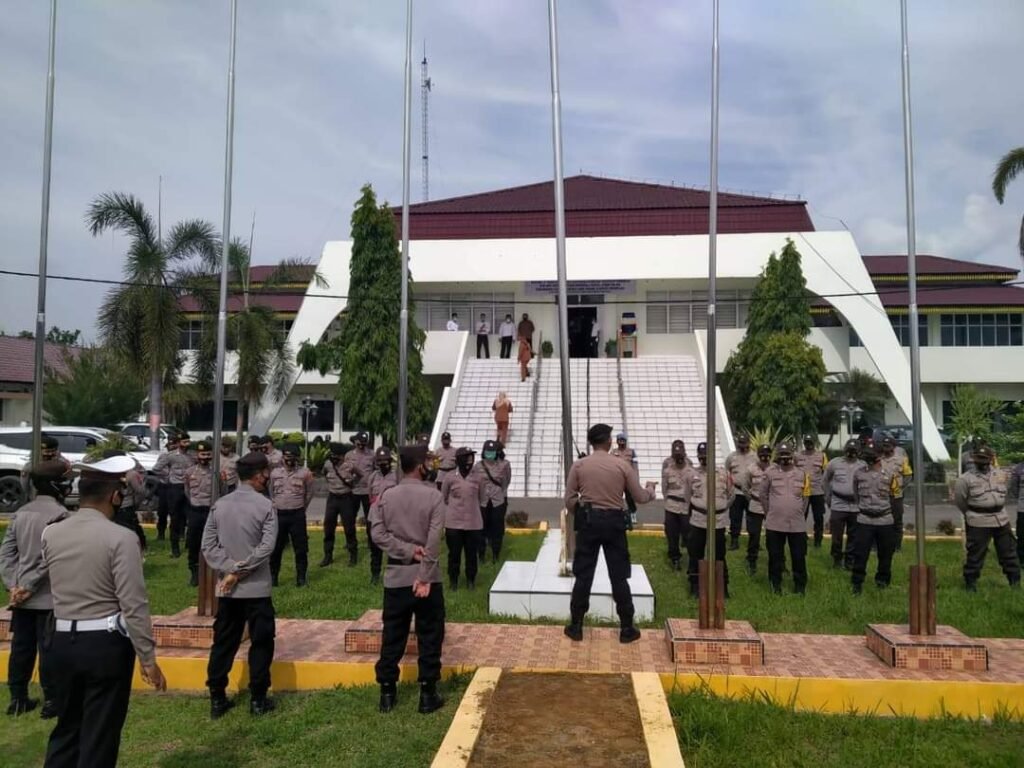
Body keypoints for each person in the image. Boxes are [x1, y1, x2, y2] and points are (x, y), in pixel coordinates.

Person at [41, 455, 167, 767]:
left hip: (59, 641)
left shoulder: (52, 532)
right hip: (103, 645)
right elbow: (133, 604)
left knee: (66, 729)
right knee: (99, 734)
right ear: (115, 495)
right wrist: (147, 658)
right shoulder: (122, 538)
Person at [563, 423, 656, 643]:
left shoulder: (579, 466)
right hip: (615, 523)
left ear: (591, 442)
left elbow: (569, 500)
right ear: (608, 441)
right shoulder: (622, 466)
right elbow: (641, 497)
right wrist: (651, 489)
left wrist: (584, 510)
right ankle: (626, 628)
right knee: (619, 576)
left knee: (584, 575)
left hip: (589, 523)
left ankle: (576, 626)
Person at [370, 445, 446, 715]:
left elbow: (377, 534)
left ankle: (387, 694)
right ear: (419, 465)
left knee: (393, 635)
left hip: (396, 577)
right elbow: (434, 541)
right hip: (427, 578)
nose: (431, 464)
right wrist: (424, 575)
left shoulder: (387, 495)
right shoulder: (434, 496)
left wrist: (404, 550)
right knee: (430, 634)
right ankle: (427, 694)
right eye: (428, 460)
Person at [202, 451, 278, 718]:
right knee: (261, 641)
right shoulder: (265, 506)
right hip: (256, 589)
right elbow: (267, 547)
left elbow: (208, 547)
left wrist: (230, 570)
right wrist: (241, 570)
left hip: (228, 589)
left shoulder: (219, 505)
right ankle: (258, 699)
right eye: (266, 473)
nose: (267, 477)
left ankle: (217, 698)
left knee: (223, 642)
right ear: (259, 476)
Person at [2, 461, 68, 717]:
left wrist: (13, 586)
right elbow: (52, 559)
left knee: (21, 648)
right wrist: (27, 587)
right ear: (56, 485)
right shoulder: (61, 516)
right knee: (48, 648)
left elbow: (6, 554)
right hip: (48, 598)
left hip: (21, 600)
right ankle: (51, 701)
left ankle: (17, 699)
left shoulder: (21, 513)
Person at [955, 445, 1021, 591]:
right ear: (974, 459)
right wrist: (973, 512)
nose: (982, 462)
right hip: (978, 520)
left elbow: (1005, 493)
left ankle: (1015, 582)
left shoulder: (1001, 474)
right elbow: (960, 501)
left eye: (985, 459)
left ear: (991, 459)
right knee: (976, 554)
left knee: (1008, 551)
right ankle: (971, 583)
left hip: (1001, 519)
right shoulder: (965, 479)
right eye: (979, 458)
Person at [683, 442, 734, 599]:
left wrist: (721, 507)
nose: (704, 460)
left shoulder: (723, 474)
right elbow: (687, 496)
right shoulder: (692, 474)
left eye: (707, 456)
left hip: (717, 521)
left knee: (719, 555)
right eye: (701, 457)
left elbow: (731, 495)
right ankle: (695, 586)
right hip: (698, 519)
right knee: (695, 554)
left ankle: (722, 587)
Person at [761, 443, 810, 594]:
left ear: (792, 455)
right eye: (781, 454)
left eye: (787, 454)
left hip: (797, 524)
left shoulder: (803, 475)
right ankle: (775, 586)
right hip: (775, 523)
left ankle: (800, 587)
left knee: (798, 557)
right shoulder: (770, 473)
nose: (784, 457)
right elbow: (763, 495)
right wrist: (770, 513)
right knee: (775, 557)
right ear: (777, 456)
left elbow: (806, 497)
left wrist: (798, 512)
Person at [850, 446, 900, 594]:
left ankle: (882, 582)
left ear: (879, 456)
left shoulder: (890, 474)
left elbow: (895, 497)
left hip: (884, 520)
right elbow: (856, 495)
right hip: (864, 519)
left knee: (885, 554)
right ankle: (857, 583)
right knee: (860, 553)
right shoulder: (859, 474)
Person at [269, 444, 314, 587]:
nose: (289, 460)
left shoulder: (305, 473)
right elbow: (271, 492)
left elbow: (309, 493)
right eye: (287, 457)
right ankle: (273, 578)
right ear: (283, 457)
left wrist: (301, 507)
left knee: (301, 549)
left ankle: (301, 579)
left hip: (297, 515)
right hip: (279, 514)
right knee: (276, 548)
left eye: (292, 457)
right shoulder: (275, 473)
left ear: (297, 458)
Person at [441, 447, 482, 590]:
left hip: (473, 524)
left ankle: (471, 580)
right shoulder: (450, 477)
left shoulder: (478, 477)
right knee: (454, 555)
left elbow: (481, 498)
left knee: (471, 555)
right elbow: (444, 497)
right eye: (467, 458)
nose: (470, 461)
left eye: (471, 458)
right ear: (459, 460)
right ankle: (453, 581)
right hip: (454, 524)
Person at [345, 431, 381, 583]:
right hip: (353, 490)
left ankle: (370, 541)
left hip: (367, 491)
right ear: (355, 442)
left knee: (370, 519)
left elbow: (375, 470)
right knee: (349, 520)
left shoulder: (372, 455)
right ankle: (351, 545)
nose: (361, 446)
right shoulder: (348, 455)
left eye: (364, 443)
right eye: (359, 443)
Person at [153, 430, 195, 558]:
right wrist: (167, 476)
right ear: (178, 443)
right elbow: (156, 468)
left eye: (188, 441)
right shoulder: (170, 456)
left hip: (188, 488)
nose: (186, 444)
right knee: (175, 517)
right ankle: (175, 548)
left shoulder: (192, 456)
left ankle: (189, 544)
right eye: (184, 441)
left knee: (190, 517)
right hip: (174, 488)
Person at [824, 439, 864, 570]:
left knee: (854, 535)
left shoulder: (863, 465)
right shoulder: (834, 463)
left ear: (858, 451)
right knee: (837, 535)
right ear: (845, 449)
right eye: (849, 450)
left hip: (855, 505)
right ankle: (836, 559)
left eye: (853, 451)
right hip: (838, 504)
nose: (851, 453)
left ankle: (849, 561)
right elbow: (825, 481)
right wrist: (828, 498)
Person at [183, 441, 215, 587]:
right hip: (195, 511)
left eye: (208, 454)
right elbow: (187, 491)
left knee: (213, 542)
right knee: (194, 542)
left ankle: (213, 571)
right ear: (197, 455)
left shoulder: (216, 472)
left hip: (211, 511)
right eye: (202, 454)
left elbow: (222, 491)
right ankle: (194, 573)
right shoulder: (190, 472)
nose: (205, 457)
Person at [103, 450, 148, 552]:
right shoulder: (106, 474)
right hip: (109, 508)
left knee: (129, 532)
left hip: (125, 508)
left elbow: (141, 492)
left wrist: (134, 504)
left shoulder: (130, 474)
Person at [739, 444, 773, 576]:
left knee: (774, 536)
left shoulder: (774, 469)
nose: (765, 457)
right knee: (754, 535)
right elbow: (745, 487)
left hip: (771, 506)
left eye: (767, 454)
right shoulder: (751, 469)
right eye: (762, 454)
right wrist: (751, 499)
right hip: (755, 504)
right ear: (758, 455)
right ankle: (751, 560)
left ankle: (778, 561)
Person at [320, 442, 355, 568]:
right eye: (332, 455)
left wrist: (352, 483)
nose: (334, 457)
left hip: (346, 498)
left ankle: (353, 555)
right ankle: (328, 556)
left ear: (342, 456)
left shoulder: (349, 465)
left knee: (349, 528)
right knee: (328, 527)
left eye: (337, 455)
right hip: (333, 498)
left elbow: (360, 475)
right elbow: (324, 473)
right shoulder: (328, 464)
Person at [661, 439, 694, 571]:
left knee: (688, 531)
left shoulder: (690, 466)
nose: (678, 458)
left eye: (680, 455)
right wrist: (668, 499)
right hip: (671, 505)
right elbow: (664, 487)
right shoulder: (667, 467)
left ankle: (691, 553)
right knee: (671, 533)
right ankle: (675, 557)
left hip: (685, 505)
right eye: (676, 456)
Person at [476, 439, 511, 563]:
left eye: (492, 451)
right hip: (483, 501)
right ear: (484, 452)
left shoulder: (504, 464)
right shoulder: (478, 466)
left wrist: (499, 491)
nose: (490, 453)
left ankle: (496, 554)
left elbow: (506, 481)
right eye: (488, 451)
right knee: (481, 529)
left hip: (498, 500)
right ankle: (481, 555)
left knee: (497, 528)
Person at [879, 436, 912, 552]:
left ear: (893, 447)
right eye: (884, 445)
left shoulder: (901, 459)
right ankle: (880, 545)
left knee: (897, 521)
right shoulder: (878, 459)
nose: (885, 448)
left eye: (888, 446)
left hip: (896, 495)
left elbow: (908, 476)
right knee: (880, 520)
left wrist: (901, 487)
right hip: (881, 495)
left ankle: (897, 546)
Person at [795, 435, 828, 548]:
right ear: (804, 443)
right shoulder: (797, 456)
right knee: (801, 516)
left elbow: (826, 473)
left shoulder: (821, 456)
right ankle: (801, 537)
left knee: (818, 517)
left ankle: (818, 540)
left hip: (817, 491)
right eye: (807, 442)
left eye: (810, 442)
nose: (808, 444)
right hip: (802, 491)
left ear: (814, 443)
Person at [725, 434, 756, 551]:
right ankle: (734, 541)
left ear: (749, 443)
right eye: (740, 444)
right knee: (735, 517)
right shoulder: (732, 457)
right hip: (736, 492)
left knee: (752, 518)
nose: (742, 446)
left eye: (744, 444)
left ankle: (753, 541)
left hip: (750, 492)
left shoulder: (755, 457)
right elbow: (727, 472)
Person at [612, 433, 640, 520]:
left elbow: (635, 465)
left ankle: (633, 513)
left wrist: (636, 477)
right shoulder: (613, 452)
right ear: (617, 441)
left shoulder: (631, 452)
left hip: (628, 478)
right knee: (616, 496)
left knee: (630, 497)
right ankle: (618, 513)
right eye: (620, 440)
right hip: (617, 478)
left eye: (623, 440)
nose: (621, 442)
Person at [368, 447, 398, 518]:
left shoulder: (396, 476)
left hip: (391, 510)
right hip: (376, 510)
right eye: (380, 461)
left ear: (390, 461)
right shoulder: (373, 476)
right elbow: (370, 494)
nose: (382, 464)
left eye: (385, 461)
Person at [1011, 460, 1024, 566]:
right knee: (1021, 534)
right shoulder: (1018, 468)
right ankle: (1021, 559)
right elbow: (1014, 487)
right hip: (1023, 508)